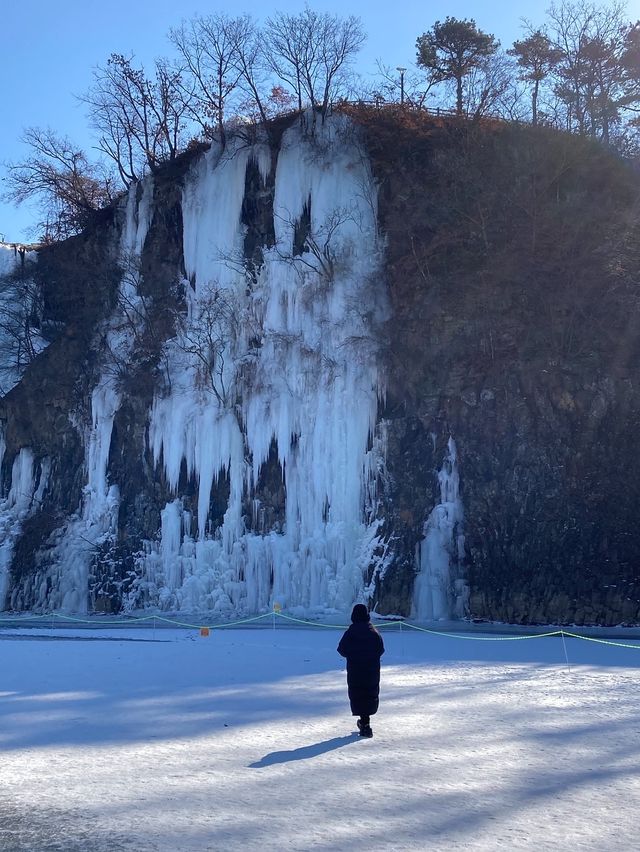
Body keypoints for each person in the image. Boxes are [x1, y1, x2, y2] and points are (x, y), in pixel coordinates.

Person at [337, 603, 385, 738]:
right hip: (371, 669)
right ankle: (366, 723)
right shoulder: (373, 631)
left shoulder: (351, 632)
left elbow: (341, 649)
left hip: (356, 669)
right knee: (369, 693)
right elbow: (380, 649)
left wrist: (353, 655)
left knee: (358, 693)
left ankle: (364, 724)